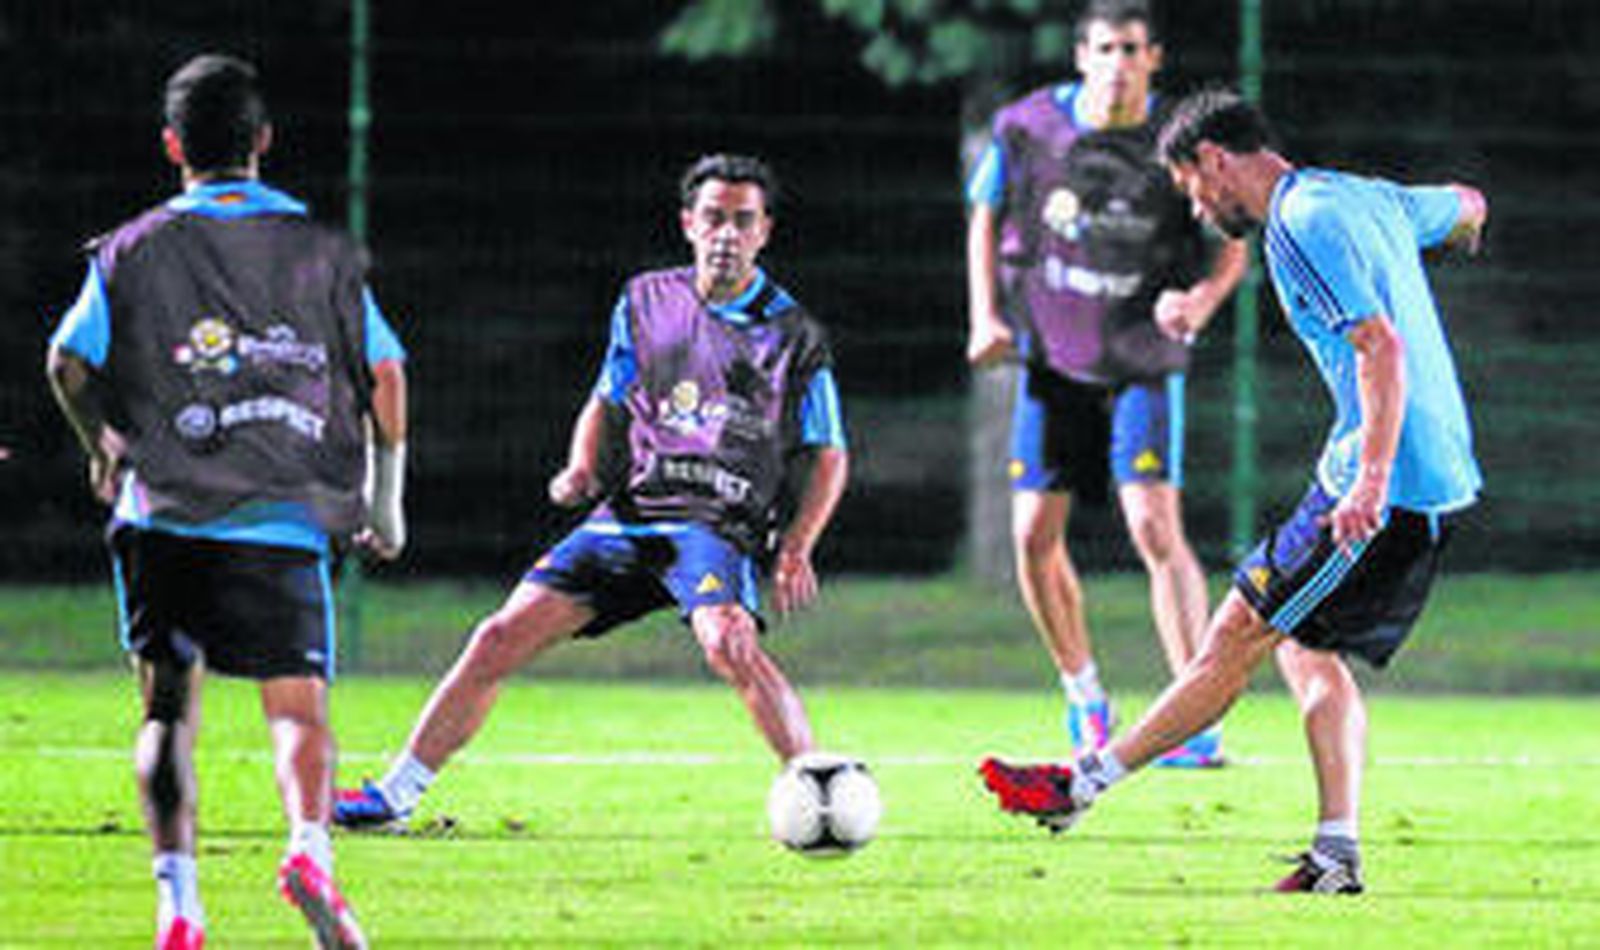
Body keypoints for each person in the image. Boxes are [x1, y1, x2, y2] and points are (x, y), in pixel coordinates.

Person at [980, 86, 1487, 894]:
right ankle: (1335, 855)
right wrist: (1464, 228)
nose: (1196, 208)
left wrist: (1371, 479)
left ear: (1213, 160)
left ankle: (1080, 786)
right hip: (1417, 473)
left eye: (1190, 187)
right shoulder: (1364, 197)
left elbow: (1380, 348)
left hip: (1386, 485)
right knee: (1304, 648)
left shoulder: (1299, 224)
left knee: (1237, 634)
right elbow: (1465, 203)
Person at [334, 153, 849, 830]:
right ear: (688, 223)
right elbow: (607, 399)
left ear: (765, 232)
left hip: (715, 526)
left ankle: (819, 794)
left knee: (728, 640)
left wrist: (797, 547)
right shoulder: (644, 300)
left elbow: (829, 453)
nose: (726, 233)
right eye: (714, 217)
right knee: (497, 636)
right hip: (630, 515)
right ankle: (394, 796)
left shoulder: (794, 334)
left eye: (742, 220)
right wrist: (580, 469)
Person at [45, 54, 406, 949]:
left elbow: (66, 362)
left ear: (173, 146)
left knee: (167, 713)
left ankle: (179, 907)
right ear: (264, 141)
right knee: (297, 710)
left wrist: (102, 444)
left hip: (163, 513)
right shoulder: (319, 249)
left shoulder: (133, 246)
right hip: (283, 514)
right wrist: (384, 502)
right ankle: (309, 851)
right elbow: (387, 374)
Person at [965, 0, 1248, 766]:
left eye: (1131, 49)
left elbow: (1231, 238)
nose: (1118, 63)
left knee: (1155, 527)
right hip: (1054, 359)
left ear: (1153, 58)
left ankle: (1194, 719)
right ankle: (1085, 697)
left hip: (1141, 359)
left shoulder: (1182, 139)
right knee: (1033, 535)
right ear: (1080, 56)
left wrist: (1201, 300)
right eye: (1105, 48)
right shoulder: (1027, 126)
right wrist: (985, 315)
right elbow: (984, 214)